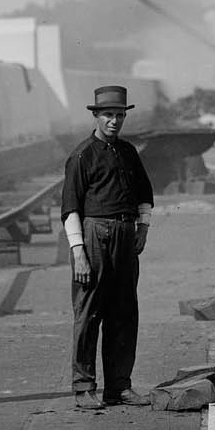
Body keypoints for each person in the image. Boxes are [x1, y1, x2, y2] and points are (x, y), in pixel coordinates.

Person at [61, 85, 155, 410]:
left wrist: (143, 226)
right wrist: (78, 253)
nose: (114, 121)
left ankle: (119, 386)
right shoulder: (81, 155)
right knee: (88, 313)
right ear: (96, 116)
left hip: (126, 237)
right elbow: (70, 209)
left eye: (119, 115)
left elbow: (144, 192)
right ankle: (84, 387)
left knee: (125, 312)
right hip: (93, 237)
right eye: (108, 115)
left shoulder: (128, 152)